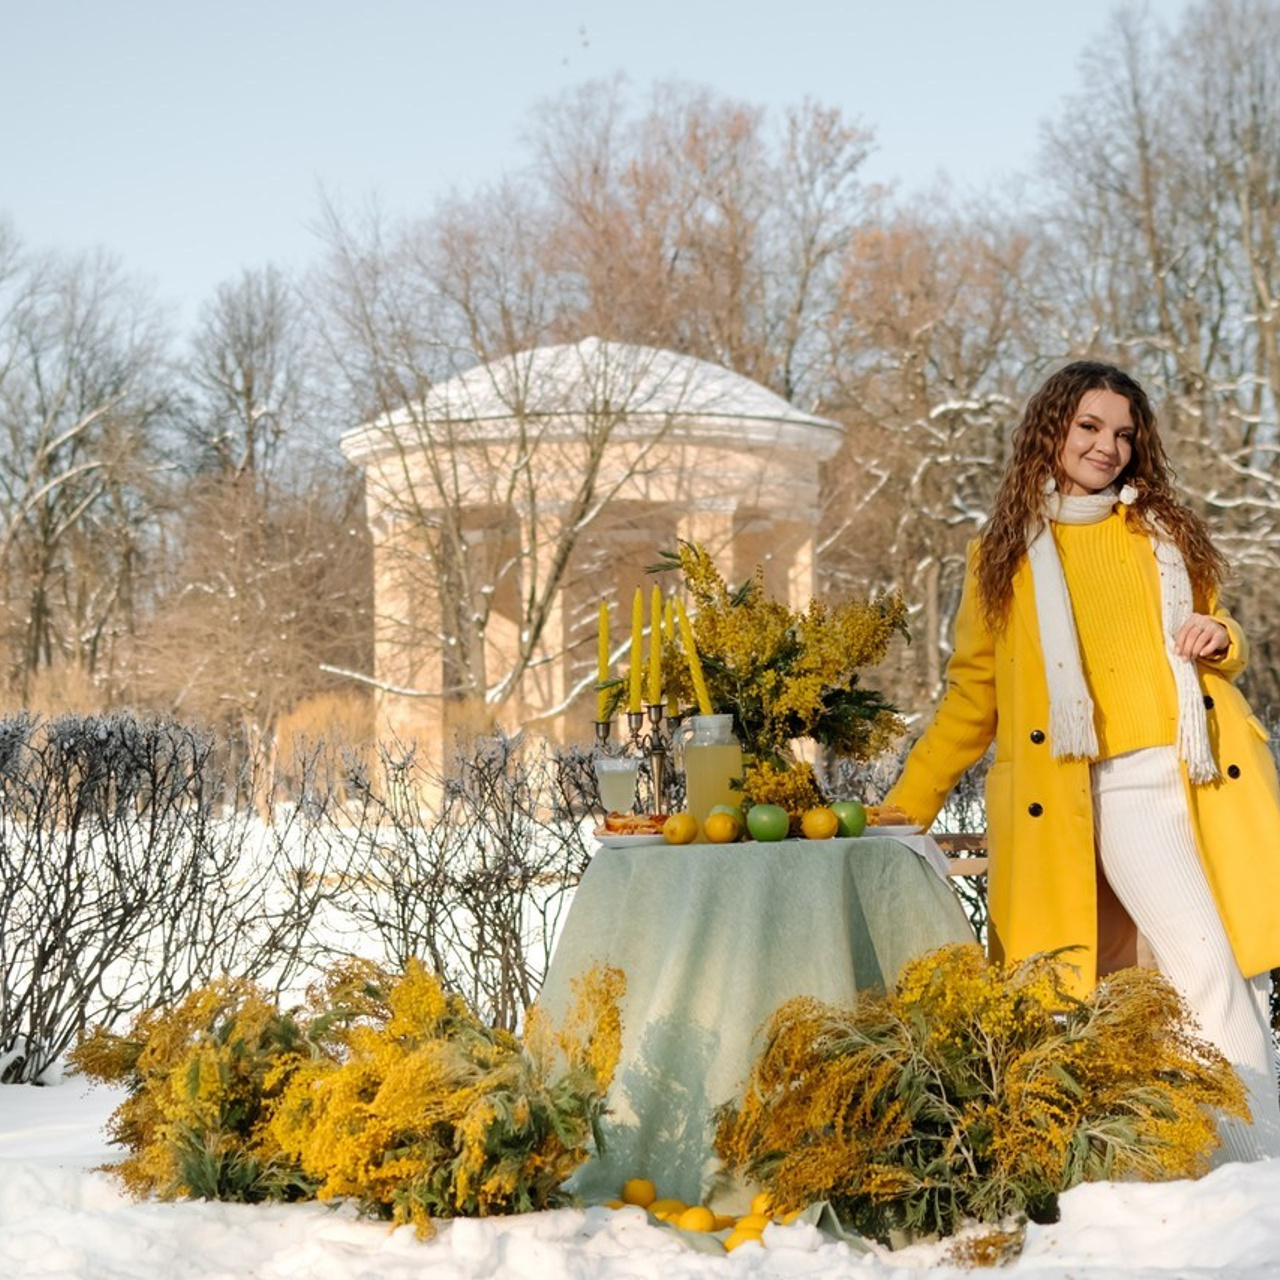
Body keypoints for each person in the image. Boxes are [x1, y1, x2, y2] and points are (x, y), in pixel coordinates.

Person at [886, 360, 1280, 1162]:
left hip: (1203, 774)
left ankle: (1220, 1159)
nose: (1109, 447)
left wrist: (1222, 636)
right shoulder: (1002, 557)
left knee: (1228, 972)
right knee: (1208, 965)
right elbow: (972, 698)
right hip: (1111, 785)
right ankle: (1258, 1164)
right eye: (1090, 427)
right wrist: (908, 803)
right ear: (1052, 431)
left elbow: (1216, 631)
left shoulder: (1161, 534)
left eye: (1125, 434)